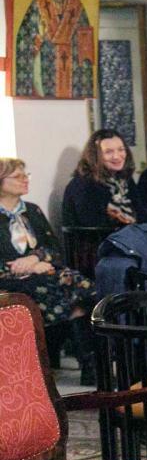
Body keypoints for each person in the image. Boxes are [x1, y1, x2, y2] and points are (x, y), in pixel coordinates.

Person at [0, 157, 95, 381]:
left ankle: (88, 362)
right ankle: (87, 363)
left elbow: (54, 249)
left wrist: (36, 258)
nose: (25, 180)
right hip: (9, 277)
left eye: (26, 175)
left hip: (40, 272)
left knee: (78, 284)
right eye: (18, 176)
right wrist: (24, 266)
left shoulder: (32, 211)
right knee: (60, 288)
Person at [13, 0, 94, 98]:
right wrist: (39, 38)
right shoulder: (39, 0)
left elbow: (86, 52)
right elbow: (22, 40)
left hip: (71, 85)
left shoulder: (77, 6)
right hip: (45, 79)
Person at [62, 129, 147, 228]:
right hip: (101, 237)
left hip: (131, 233)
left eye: (121, 150)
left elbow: (142, 213)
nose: (116, 156)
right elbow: (93, 224)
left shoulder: (124, 179)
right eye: (108, 152)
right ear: (95, 156)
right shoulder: (83, 184)